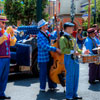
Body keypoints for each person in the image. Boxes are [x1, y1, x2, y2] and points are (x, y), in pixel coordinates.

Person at [59, 22, 89, 100]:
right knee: (70, 77)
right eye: (72, 28)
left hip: (75, 58)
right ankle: (69, 96)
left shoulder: (72, 37)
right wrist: (73, 52)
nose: (73, 29)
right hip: (69, 58)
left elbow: (77, 48)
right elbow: (63, 50)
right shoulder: (63, 38)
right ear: (67, 28)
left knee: (76, 77)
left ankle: (74, 94)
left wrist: (82, 52)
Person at [37, 19, 61, 92]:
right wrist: (55, 49)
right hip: (43, 58)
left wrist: (57, 30)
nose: (47, 25)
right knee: (43, 73)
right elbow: (44, 46)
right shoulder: (40, 35)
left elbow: (53, 36)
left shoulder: (47, 32)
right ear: (42, 27)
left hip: (49, 56)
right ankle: (42, 87)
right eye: (45, 25)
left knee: (51, 71)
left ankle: (52, 86)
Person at [0, 15, 17, 99]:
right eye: (3, 22)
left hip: (7, 57)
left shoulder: (6, 32)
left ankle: (2, 93)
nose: (4, 24)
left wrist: (13, 34)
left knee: (4, 77)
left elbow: (12, 43)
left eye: (5, 23)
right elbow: (1, 40)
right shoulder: (4, 32)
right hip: (0, 58)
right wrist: (7, 32)